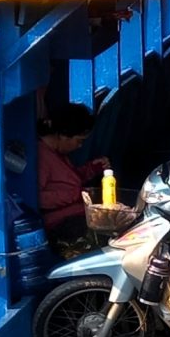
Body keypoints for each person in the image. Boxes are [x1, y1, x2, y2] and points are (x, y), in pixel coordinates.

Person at [36, 103, 108, 245]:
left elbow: (66, 180)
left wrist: (92, 169)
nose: (80, 146)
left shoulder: (56, 154)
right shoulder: (42, 157)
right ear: (64, 135)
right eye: (79, 141)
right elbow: (37, 199)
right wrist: (75, 194)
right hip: (60, 225)